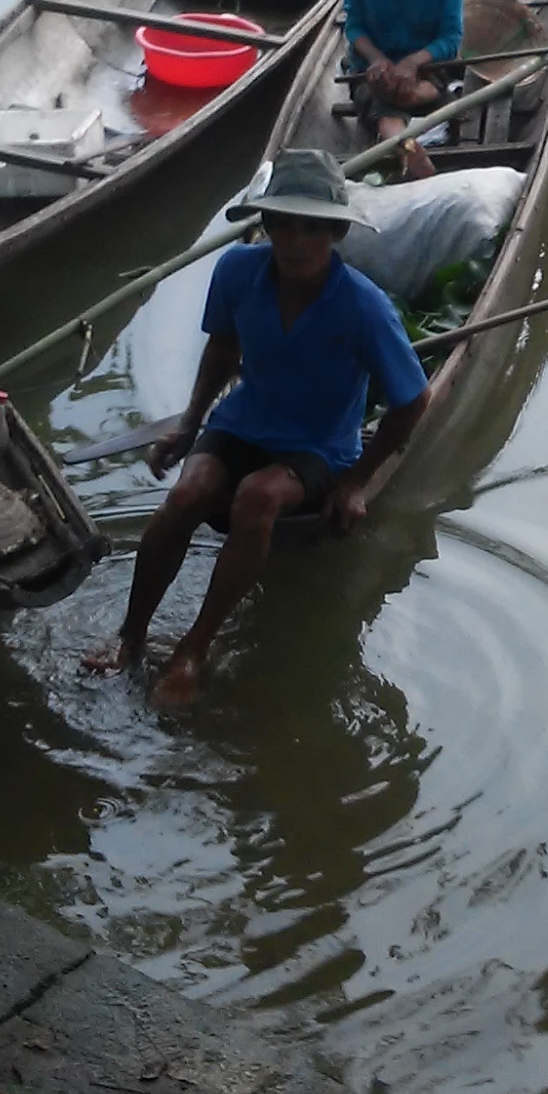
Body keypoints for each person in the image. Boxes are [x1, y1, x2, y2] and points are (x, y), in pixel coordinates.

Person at [82, 150, 428, 707]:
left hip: (318, 444)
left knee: (257, 497)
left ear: (336, 232)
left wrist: (357, 481)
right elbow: (222, 347)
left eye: (312, 228)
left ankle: (195, 648)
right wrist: (190, 425)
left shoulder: (366, 308)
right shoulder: (238, 271)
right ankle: (131, 635)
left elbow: (413, 401)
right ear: (264, 226)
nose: (295, 242)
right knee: (186, 495)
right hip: (243, 421)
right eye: (282, 225)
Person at [340, 0, 463, 183]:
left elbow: (450, 37)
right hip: (372, 66)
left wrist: (412, 63)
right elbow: (354, 25)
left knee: (411, 90)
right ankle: (406, 145)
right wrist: (378, 60)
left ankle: (402, 131)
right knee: (380, 92)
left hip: (427, 65)